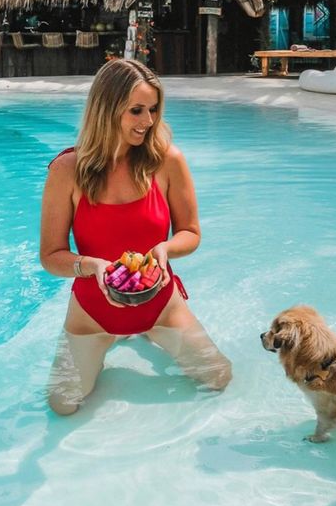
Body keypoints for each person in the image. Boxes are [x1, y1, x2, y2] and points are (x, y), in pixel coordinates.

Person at [40, 58, 232, 414]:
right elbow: (51, 255)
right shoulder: (66, 170)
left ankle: (145, 333)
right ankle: (106, 341)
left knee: (219, 378)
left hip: (161, 304)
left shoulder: (168, 161)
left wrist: (165, 248)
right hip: (91, 313)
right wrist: (89, 266)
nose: (148, 122)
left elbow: (190, 232)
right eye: (137, 111)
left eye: (154, 110)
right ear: (107, 109)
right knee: (62, 404)